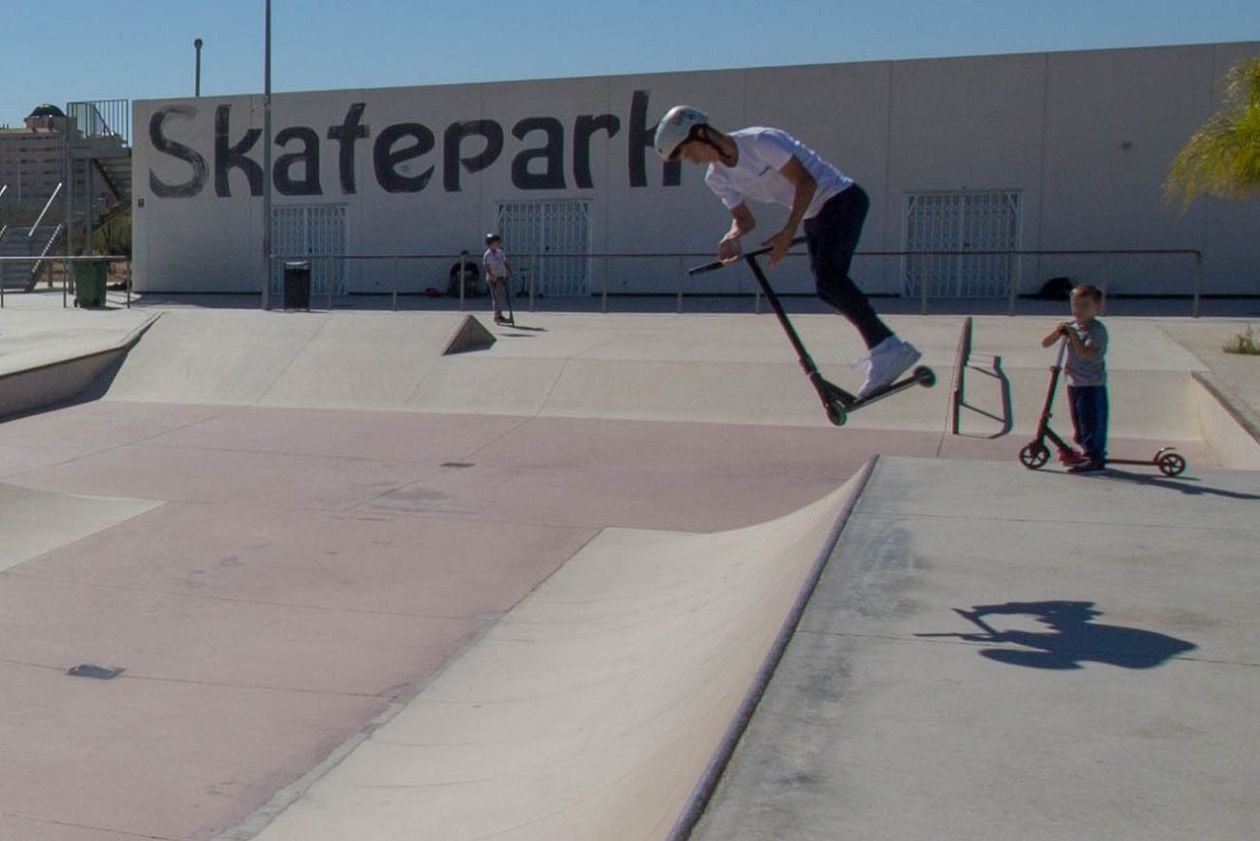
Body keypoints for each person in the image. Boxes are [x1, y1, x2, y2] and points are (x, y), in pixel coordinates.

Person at [654, 106, 920, 399]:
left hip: (842, 199)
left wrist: (788, 232)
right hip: (814, 215)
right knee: (827, 288)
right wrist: (732, 236)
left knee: (831, 281)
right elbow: (745, 220)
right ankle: (885, 347)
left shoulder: (760, 141)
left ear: (701, 133)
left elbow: (806, 182)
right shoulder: (716, 178)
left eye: (688, 152)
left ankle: (888, 349)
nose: (691, 161)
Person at [1041, 284, 1108, 473]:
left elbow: (1085, 352)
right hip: (1075, 382)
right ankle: (1084, 452)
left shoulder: (1097, 330)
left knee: (1091, 422)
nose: (1078, 311)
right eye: (1075, 306)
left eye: (1085, 306)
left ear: (1097, 308)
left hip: (1092, 384)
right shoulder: (1074, 326)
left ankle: (1095, 457)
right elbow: (1045, 344)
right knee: (1079, 422)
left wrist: (1072, 334)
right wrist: (1058, 332)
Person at [482, 233, 512, 325]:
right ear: (489, 244)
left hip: (500, 276)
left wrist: (508, 270)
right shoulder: (487, 254)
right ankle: (497, 316)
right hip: (493, 278)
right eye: (495, 243)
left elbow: (504, 262)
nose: (497, 245)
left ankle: (499, 314)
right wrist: (491, 276)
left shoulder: (500, 252)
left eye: (498, 243)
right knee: (496, 297)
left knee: (501, 296)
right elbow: (486, 266)